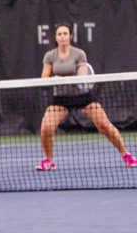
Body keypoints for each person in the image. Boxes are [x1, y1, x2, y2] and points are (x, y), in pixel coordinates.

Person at [36, 22, 136, 171]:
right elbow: (44, 78)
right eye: (59, 34)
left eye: (65, 34)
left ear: (70, 36)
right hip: (61, 98)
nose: (62, 37)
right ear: (56, 38)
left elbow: (82, 76)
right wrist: (53, 79)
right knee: (46, 128)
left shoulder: (79, 54)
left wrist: (67, 79)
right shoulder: (50, 56)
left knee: (104, 126)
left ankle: (126, 155)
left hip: (83, 96)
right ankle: (49, 160)